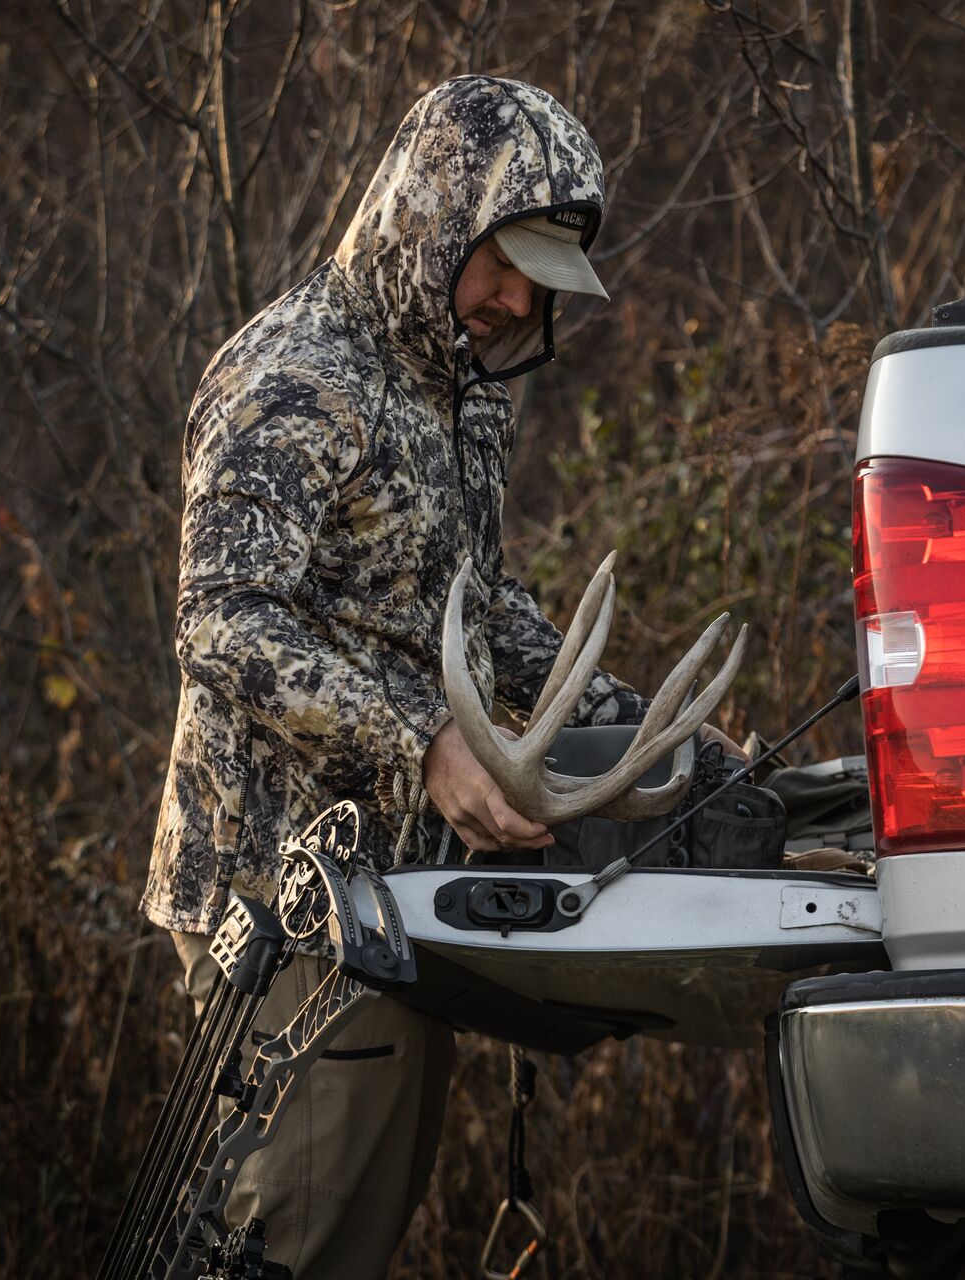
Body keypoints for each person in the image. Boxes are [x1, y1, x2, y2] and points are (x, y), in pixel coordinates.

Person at [140, 75, 730, 1278]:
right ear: (431, 212)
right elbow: (221, 620)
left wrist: (639, 732)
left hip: (395, 894)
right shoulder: (294, 374)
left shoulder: (462, 390)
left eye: (540, 281)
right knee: (283, 1244)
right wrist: (422, 742)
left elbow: (472, 608)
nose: (515, 300)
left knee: (346, 1230)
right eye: (499, 264)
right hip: (283, 910)